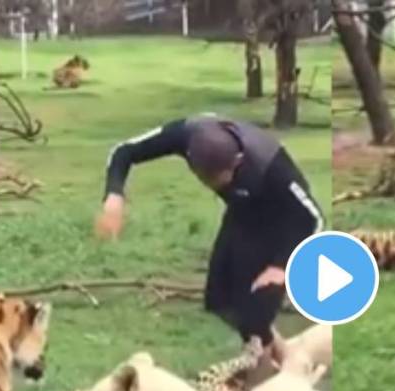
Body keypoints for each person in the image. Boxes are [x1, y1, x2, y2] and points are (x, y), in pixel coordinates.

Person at [96, 114, 324, 364]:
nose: (218, 185)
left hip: (283, 228)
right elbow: (123, 151)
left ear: (238, 160)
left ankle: (266, 372)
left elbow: (312, 216)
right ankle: (282, 356)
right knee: (220, 301)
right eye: (210, 179)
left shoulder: (270, 163)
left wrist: (282, 266)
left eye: (225, 177)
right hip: (242, 214)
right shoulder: (186, 134)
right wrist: (114, 195)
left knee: (255, 310)